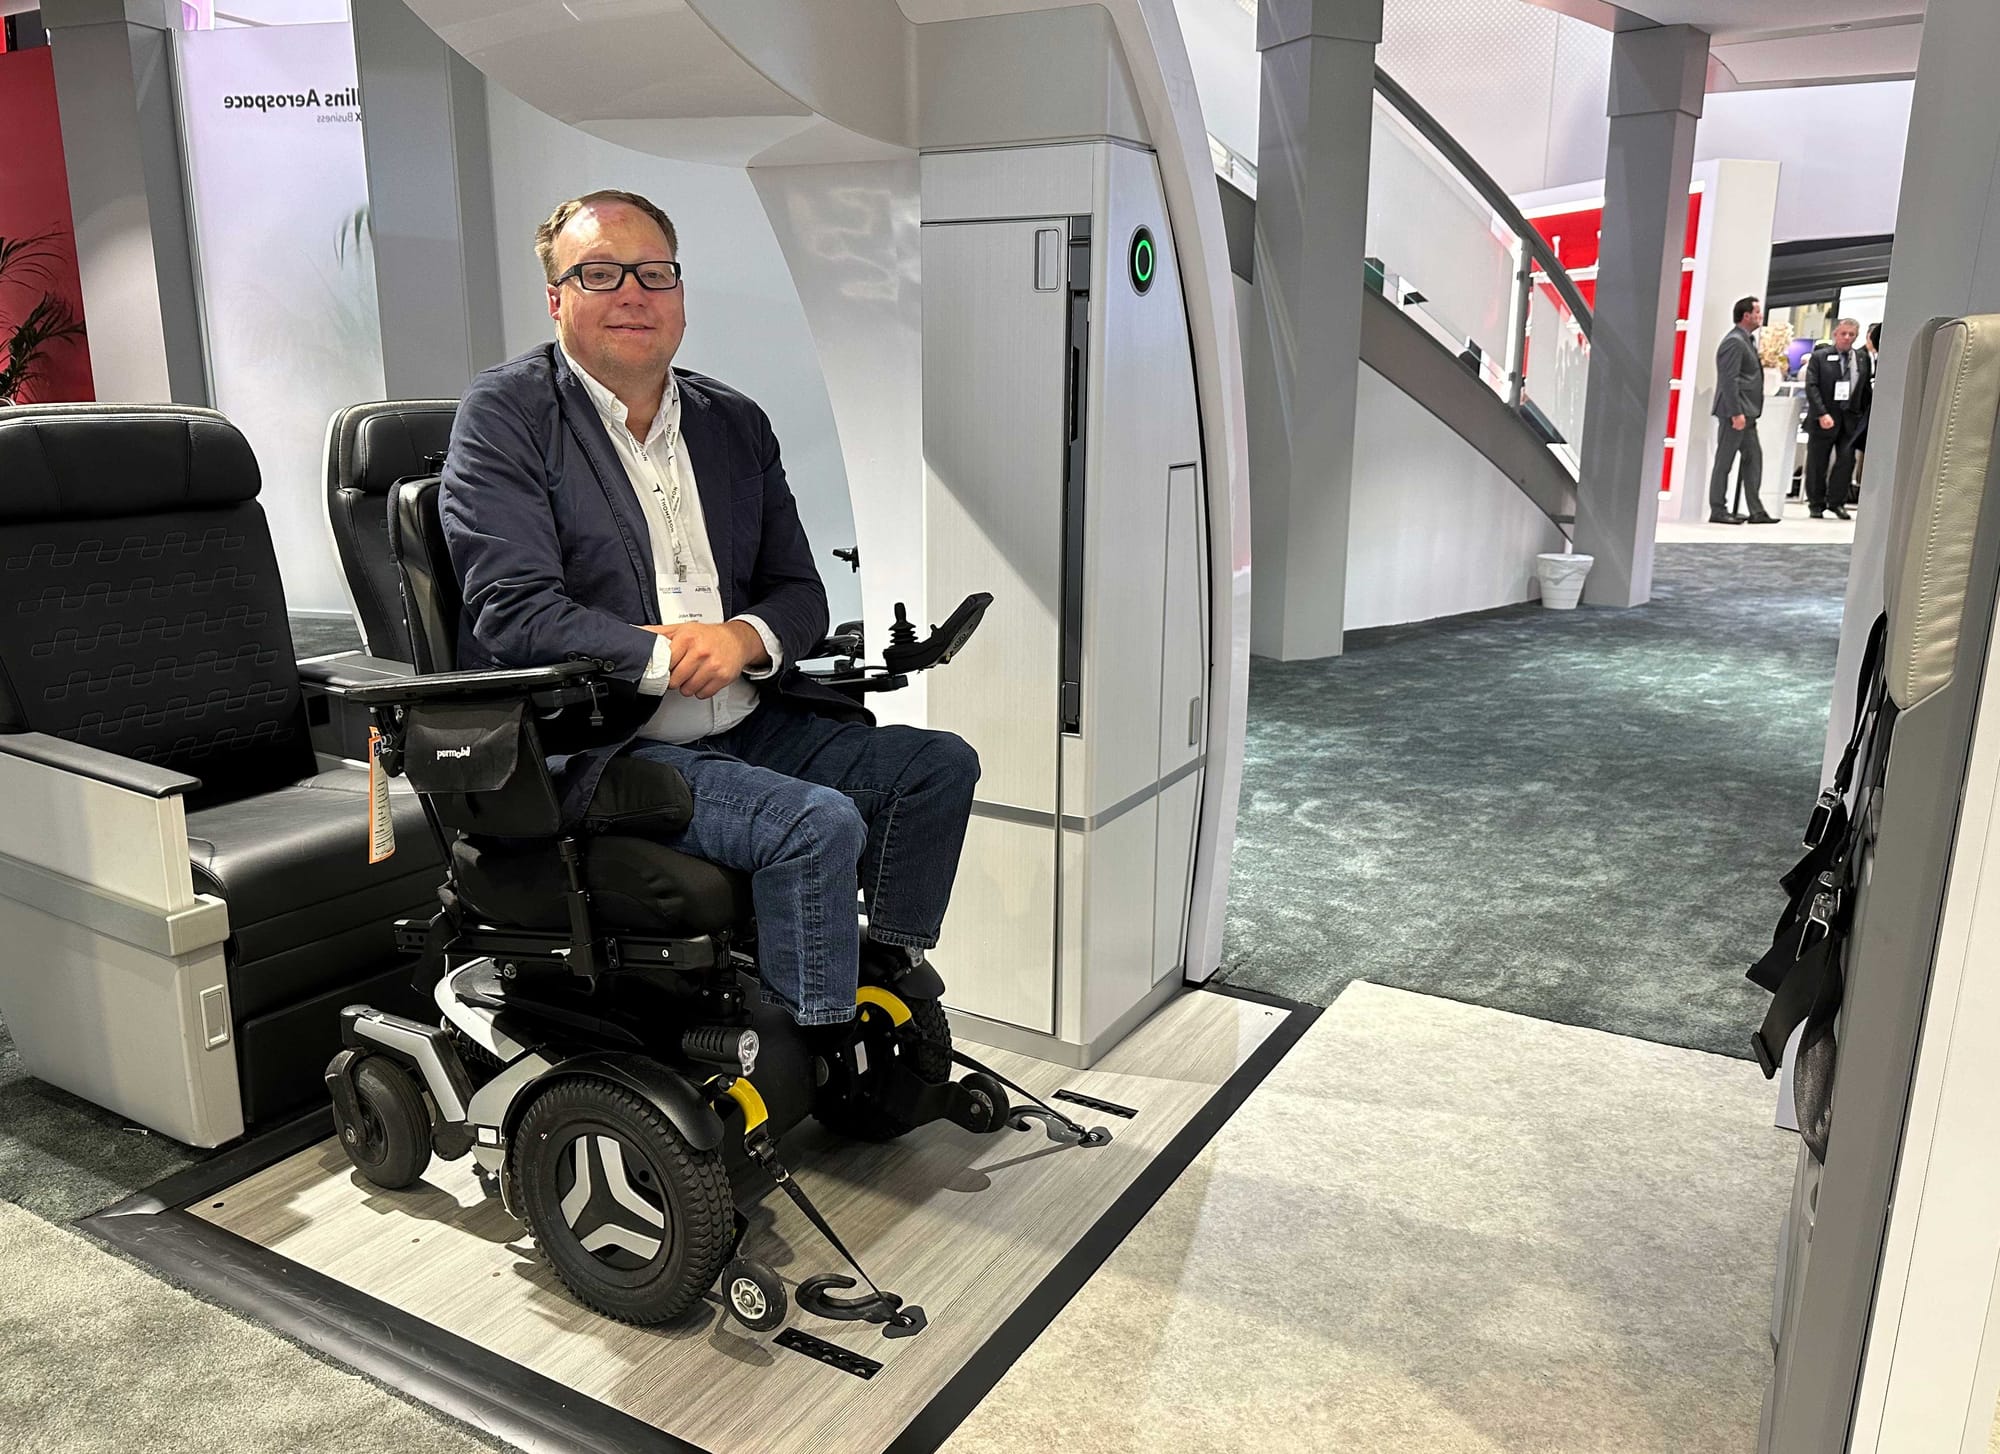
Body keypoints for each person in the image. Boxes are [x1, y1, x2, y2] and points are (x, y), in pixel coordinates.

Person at [439, 189, 981, 1032]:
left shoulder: (733, 422)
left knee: (937, 766)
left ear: (680, 294)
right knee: (817, 824)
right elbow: (511, 609)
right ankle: (816, 1035)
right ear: (557, 299)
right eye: (600, 273)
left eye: (654, 273)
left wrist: (740, 638)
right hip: (605, 744)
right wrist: (668, 658)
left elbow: (801, 591)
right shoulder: (508, 415)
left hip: (746, 718)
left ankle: (885, 970)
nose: (632, 293)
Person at [1708, 296, 1777, 524]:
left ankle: (1756, 511)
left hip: (1747, 413)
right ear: (1746, 315)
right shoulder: (1734, 342)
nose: (1761, 316)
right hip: (1735, 413)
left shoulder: (1746, 340)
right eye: (1757, 312)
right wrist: (1736, 412)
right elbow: (1729, 380)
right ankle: (1718, 510)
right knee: (1724, 462)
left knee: (1753, 458)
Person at [1802, 317, 1873, 520]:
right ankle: (1816, 503)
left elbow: (1864, 388)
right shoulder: (1820, 357)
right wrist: (1822, 413)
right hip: (1824, 417)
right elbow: (1812, 386)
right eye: (1844, 333)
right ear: (1835, 334)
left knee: (1846, 460)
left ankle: (1837, 502)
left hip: (1849, 419)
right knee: (1818, 462)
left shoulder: (1861, 358)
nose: (1847, 338)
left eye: (1851, 334)